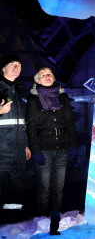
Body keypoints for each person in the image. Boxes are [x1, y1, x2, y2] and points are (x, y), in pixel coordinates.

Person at [26, 67, 78, 235]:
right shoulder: (34, 100)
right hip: (44, 149)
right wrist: (35, 151)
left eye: (49, 74)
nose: (47, 77)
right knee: (44, 188)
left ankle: (55, 220)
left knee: (59, 188)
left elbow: (70, 123)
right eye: (43, 75)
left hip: (62, 148)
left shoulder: (62, 97)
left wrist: (73, 145)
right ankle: (42, 218)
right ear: (37, 80)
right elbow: (31, 127)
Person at [0, 54, 31, 218]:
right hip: (1, 150)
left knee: (16, 193)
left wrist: (26, 145)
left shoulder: (21, 90)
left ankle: (13, 226)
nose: (16, 67)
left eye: (19, 65)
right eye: (12, 64)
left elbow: (23, 121)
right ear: (3, 68)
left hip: (18, 151)